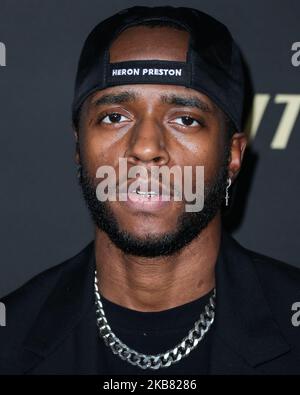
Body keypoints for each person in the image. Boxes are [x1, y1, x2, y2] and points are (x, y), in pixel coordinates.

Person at [1, 5, 300, 375]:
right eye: (114, 117)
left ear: (232, 157)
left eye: (186, 119)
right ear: (79, 148)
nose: (145, 146)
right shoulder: (11, 339)